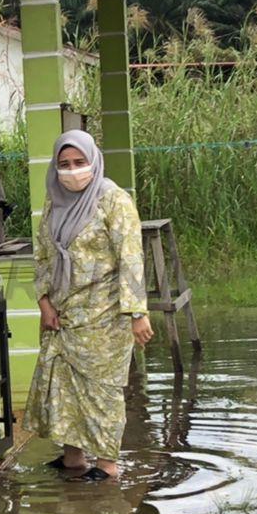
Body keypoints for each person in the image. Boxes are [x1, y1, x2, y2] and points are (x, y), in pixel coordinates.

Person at [24, 130, 152, 482]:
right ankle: (73, 459)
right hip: (63, 313)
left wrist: (136, 313)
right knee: (63, 386)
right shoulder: (54, 201)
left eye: (80, 162)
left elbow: (130, 258)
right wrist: (44, 302)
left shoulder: (113, 200)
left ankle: (108, 465)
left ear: (93, 161)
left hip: (104, 314)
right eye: (64, 164)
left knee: (101, 390)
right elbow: (43, 256)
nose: (72, 170)